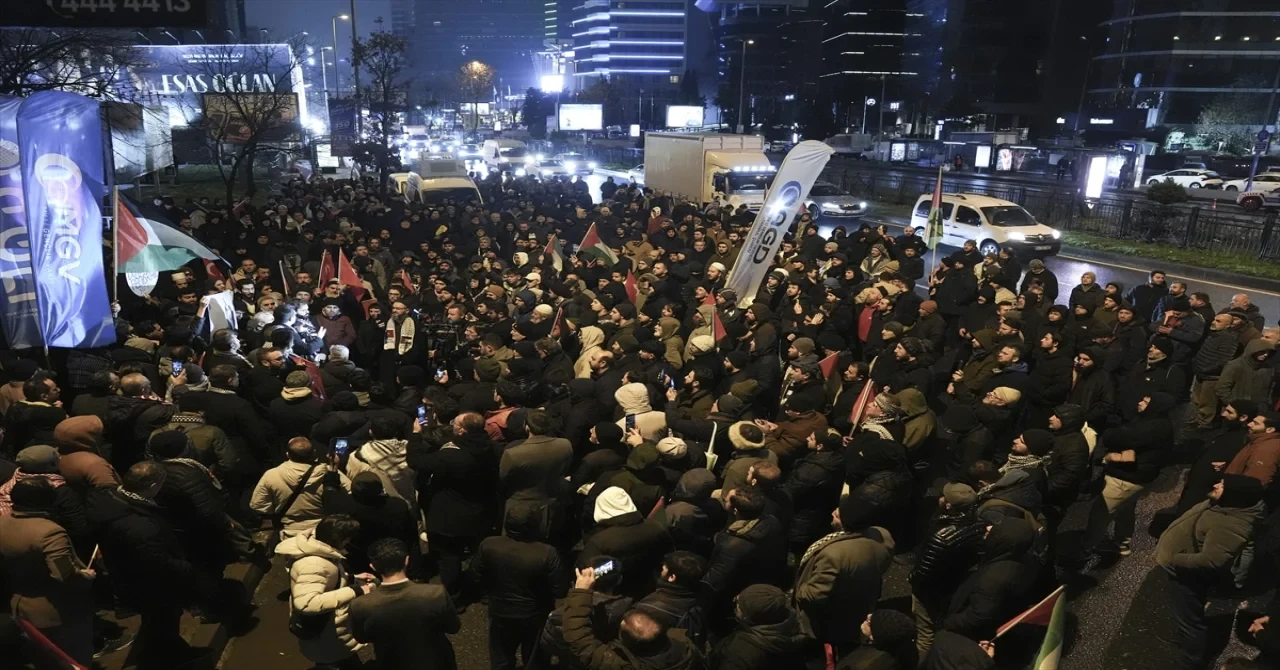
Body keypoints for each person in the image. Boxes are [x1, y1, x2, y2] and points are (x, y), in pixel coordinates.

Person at [85, 461, 203, 668]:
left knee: (155, 622)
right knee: (164, 621)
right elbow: (158, 562)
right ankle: (170, 659)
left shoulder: (111, 500)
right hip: (153, 586)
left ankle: (169, 653)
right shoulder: (139, 525)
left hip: (128, 578)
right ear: (152, 486)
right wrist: (187, 569)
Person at [1155, 475, 1265, 669]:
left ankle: (1190, 662)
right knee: (1187, 614)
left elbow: (1212, 560)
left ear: (1234, 495)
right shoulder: (1225, 504)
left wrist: (1175, 558)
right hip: (1184, 568)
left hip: (1187, 573)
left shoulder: (1231, 524)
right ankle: (1186, 640)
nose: (1215, 484)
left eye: (1222, 485)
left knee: (1191, 621)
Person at [0, 478, 96, 665]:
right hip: (58, 610)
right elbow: (64, 574)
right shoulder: (49, 532)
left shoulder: (2, 523)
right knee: (75, 659)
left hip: (21, 605)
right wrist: (85, 576)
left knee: (45, 660)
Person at [793, 493, 895, 653]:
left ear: (847, 523)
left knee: (827, 644)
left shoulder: (834, 554)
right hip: (861, 600)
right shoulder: (882, 534)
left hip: (830, 614)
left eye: (838, 514)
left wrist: (800, 592)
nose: (833, 512)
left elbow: (815, 595)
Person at [472, 505, 566, 669]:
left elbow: (475, 575)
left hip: (500, 610)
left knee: (501, 657)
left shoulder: (488, 545)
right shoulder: (547, 553)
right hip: (535, 614)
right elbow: (560, 589)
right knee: (535, 658)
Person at [349, 538, 461, 670]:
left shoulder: (360, 605)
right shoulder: (435, 593)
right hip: (437, 661)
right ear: (407, 560)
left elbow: (362, 638)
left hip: (391, 662)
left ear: (373, 566)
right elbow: (453, 627)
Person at [276, 514, 371, 669]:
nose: (349, 543)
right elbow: (306, 603)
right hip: (325, 634)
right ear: (340, 539)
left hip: (329, 631)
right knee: (334, 663)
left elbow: (327, 580)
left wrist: (351, 578)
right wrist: (355, 591)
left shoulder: (319, 552)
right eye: (348, 539)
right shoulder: (315, 564)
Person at [562, 566, 702, 670]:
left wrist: (580, 591)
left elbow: (578, 639)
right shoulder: (687, 648)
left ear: (627, 644)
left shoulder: (624, 665)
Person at [910, 483, 987, 657]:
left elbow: (923, 572)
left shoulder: (941, 536)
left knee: (925, 633)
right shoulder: (979, 524)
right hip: (955, 583)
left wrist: (912, 579)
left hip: (931, 590)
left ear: (948, 505)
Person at [252, 436, 348, 538]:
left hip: (288, 533)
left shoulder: (271, 475)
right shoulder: (330, 473)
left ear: (287, 454)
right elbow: (350, 492)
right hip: (323, 532)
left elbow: (258, 505)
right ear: (314, 453)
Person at [709, 584, 811, 668]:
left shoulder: (738, 652)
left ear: (747, 617)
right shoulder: (794, 631)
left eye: (739, 605)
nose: (736, 604)